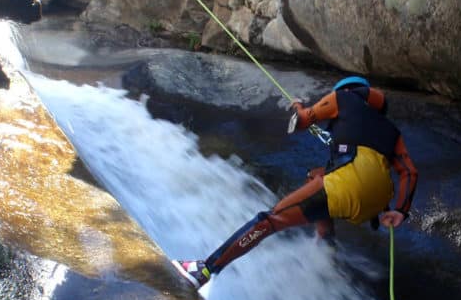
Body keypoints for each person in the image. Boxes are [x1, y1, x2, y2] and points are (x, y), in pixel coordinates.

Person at [173, 76, 418, 288]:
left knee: (269, 220)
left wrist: (299, 106)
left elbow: (300, 122)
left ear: (345, 90)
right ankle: (326, 246)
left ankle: (204, 269)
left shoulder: (342, 98)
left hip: (347, 185)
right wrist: (401, 212)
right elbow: (409, 172)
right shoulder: (391, 130)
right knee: (316, 175)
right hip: (377, 203)